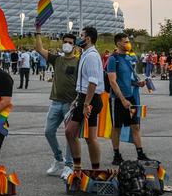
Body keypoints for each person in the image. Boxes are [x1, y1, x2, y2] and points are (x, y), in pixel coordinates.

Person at [34, 30, 78, 177]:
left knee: (70, 134)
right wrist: (38, 33)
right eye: (65, 42)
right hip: (55, 102)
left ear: (75, 46)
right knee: (48, 131)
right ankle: (59, 159)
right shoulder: (57, 59)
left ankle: (69, 165)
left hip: (70, 103)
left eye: (70, 43)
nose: (67, 44)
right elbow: (39, 49)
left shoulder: (79, 61)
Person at [105, 33, 153, 165]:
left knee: (135, 126)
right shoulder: (112, 59)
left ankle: (140, 154)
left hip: (130, 97)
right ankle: (116, 155)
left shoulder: (127, 58)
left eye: (128, 41)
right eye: (125, 41)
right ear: (118, 43)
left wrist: (138, 84)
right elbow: (113, 82)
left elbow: (128, 79)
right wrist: (122, 99)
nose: (128, 43)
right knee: (117, 127)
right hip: (117, 99)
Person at [64, 25, 104, 173]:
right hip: (85, 97)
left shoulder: (92, 56)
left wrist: (86, 103)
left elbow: (93, 81)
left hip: (90, 99)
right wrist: (78, 97)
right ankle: (92, 169)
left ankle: (80, 168)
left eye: (81, 36)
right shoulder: (86, 53)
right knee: (88, 137)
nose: (79, 39)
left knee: (71, 132)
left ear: (87, 38)